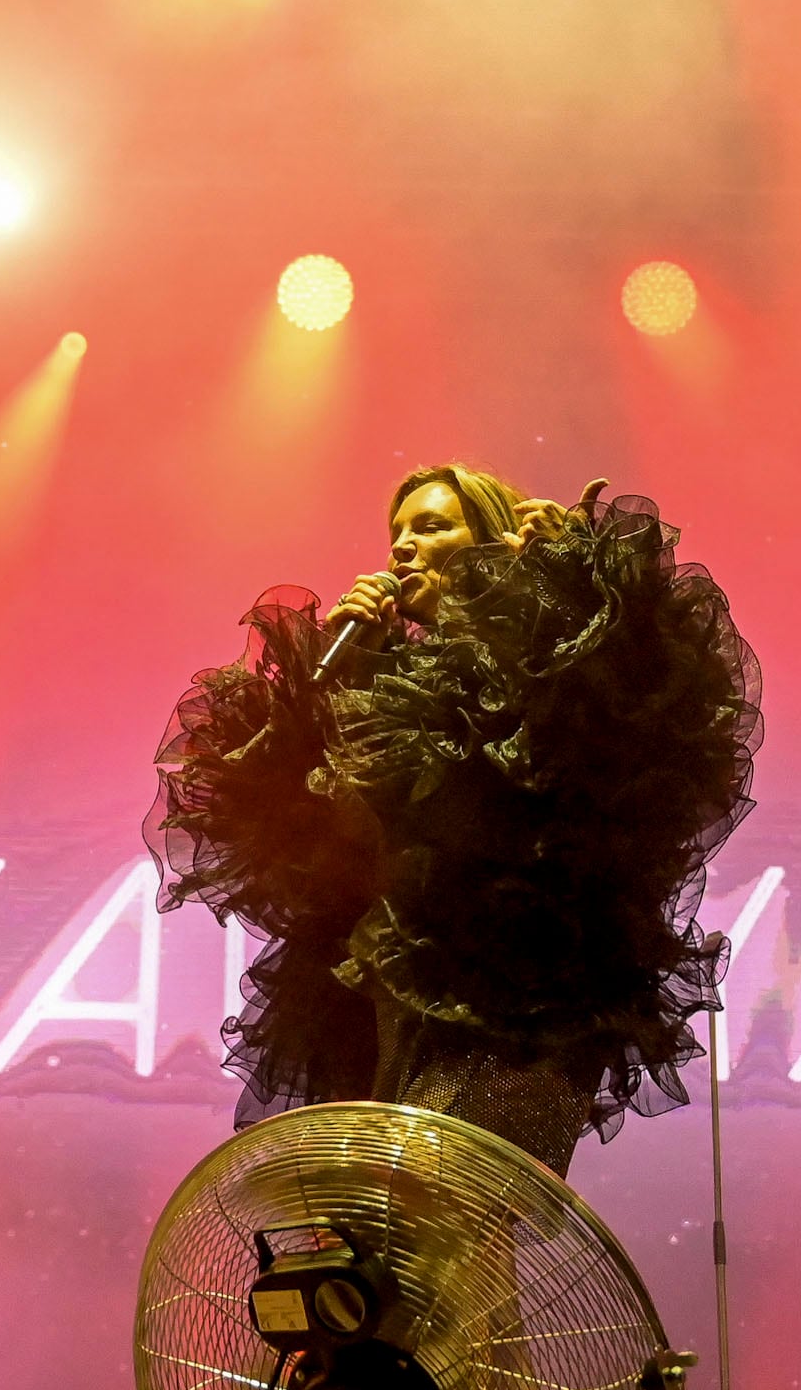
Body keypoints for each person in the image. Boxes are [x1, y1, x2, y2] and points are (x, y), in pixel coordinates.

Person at [152, 466, 760, 1177]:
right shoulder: (387, 678)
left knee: (445, 1194)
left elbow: (631, 728)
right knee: (393, 1224)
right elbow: (343, 831)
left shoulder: (555, 653)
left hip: (525, 993)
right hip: (405, 983)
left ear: (491, 537)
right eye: (397, 532)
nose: (403, 546)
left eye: (432, 526)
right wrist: (355, 672)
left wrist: (563, 589)